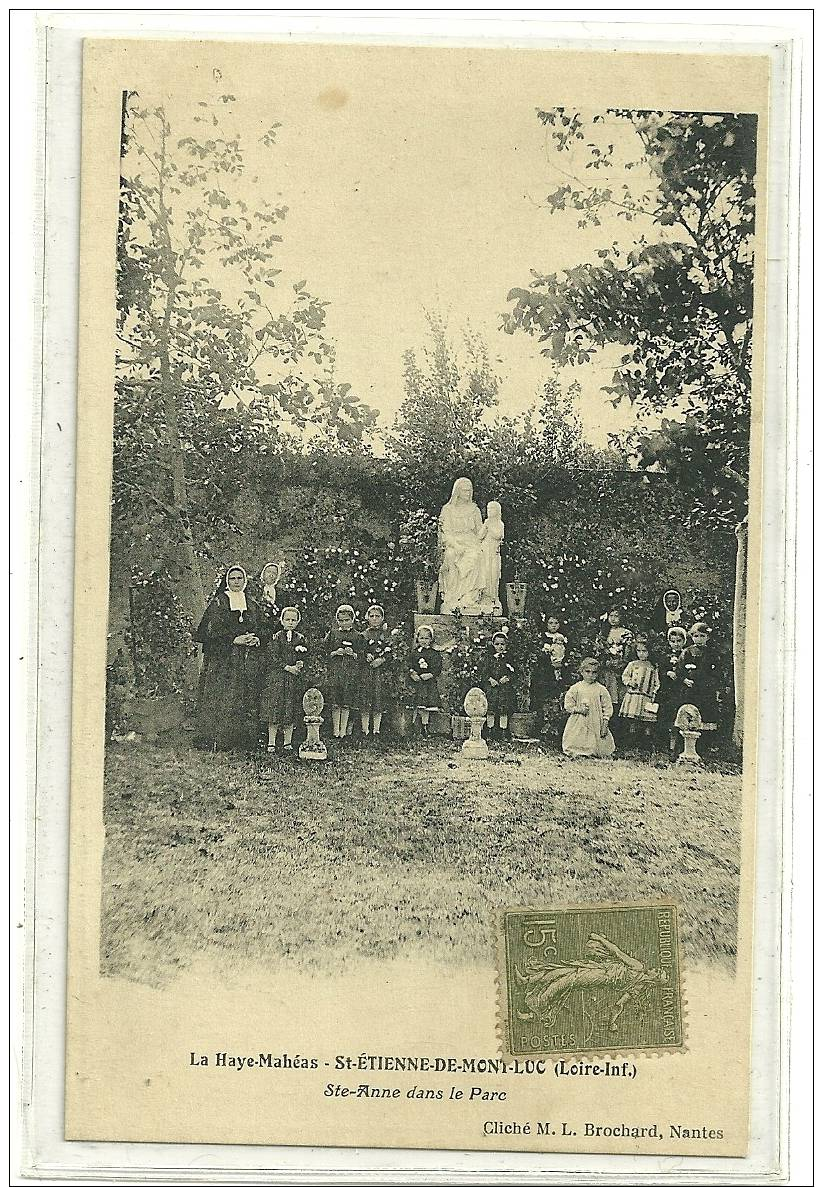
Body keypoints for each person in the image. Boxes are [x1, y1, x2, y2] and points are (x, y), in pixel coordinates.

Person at [193, 565, 262, 751]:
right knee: (224, 696)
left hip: (247, 658)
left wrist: (255, 638)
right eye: (233, 578)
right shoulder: (219, 603)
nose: (237, 582)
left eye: (240, 578)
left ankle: (242, 740)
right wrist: (234, 639)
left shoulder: (252, 603)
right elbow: (210, 632)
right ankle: (218, 739)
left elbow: (262, 627)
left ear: (245, 581)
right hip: (223, 659)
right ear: (227, 581)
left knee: (245, 695)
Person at [260, 606, 308, 754]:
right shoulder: (276, 637)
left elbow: (305, 654)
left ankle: (288, 742)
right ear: (281, 621)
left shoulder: (300, 638)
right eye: (287, 619)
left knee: (290, 709)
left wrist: (300, 663)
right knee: (275, 708)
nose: (290, 622)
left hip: (293, 680)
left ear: (298, 622)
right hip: (278, 678)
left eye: (294, 620)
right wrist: (287, 667)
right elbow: (272, 657)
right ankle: (271, 742)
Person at [438, 477, 485, 613]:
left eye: (470, 490)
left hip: (472, 543)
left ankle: (469, 597)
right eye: (465, 490)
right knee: (450, 556)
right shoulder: (448, 510)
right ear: (457, 491)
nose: (468, 493)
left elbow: (480, 531)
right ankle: (453, 597)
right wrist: (455, 545)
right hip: (454, 543)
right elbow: (445, 532)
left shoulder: (474, 510)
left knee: (477, 556)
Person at [561, 657, 615, 758]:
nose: (590, 675)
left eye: (594, 672)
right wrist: (578, 709)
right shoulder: (576, 688)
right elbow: (568, 704)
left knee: (595, 740)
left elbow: (607, 707)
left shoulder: (601, 689)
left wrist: (605, 723)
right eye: (587, 671)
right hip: (579, 719)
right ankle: (578, 750)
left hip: (595, 720)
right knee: (577, 735)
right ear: (581, 672)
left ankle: (592, 751)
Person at [323, 605, 361, 740]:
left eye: (347, 620)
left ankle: (343, 731)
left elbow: (362, 655)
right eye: (341, 620)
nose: (344, 623)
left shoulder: (357, 636)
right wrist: (335, 653)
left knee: (346, 702)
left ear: (352, 620)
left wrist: (353, 654)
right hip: (336, 673)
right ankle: (335, 730)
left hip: (350, 673)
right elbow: (324, 652)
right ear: (337, 620)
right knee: (335, 702)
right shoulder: (333, 634)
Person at [358, 604, 394, 739]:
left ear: (382, 618)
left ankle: (377, 730)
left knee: (378, 698)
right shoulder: (363, 635)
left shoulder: (385, 635)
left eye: (377, 616)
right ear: (367, 618)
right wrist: (365, 656)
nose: (374, 619)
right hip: (366, 672)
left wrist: (382, 659)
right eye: (371, 616)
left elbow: (390, 652)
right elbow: (359, 651)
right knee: (365, 698)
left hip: (380, 673)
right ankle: (365, 730)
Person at [619, 636, 661, 748]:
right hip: (634, 696)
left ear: (649, 652)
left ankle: (645, 743)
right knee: (633, 720)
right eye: (639, 651)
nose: (641, 654)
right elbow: (625, 676)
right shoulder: (633, 664)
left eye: (644, 651)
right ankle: (631, 741)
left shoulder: (653, 666)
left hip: (646, 696)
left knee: (647, 721)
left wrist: (654, 693)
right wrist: (629, 683)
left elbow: (656, 682)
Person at [657, 625, 690, 759]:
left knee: (678, 717)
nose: (676, 644)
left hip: (679, 691)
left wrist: (681, 677)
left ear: (684, 641)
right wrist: (667, 673)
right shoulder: (665, 656)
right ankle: (664, 746)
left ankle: (677, 747)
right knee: (665, 717)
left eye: (679, 641)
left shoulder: (687, 655)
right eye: (673, 641)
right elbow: (660, 671)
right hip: (667, 690)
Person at [596, 607, 634, 725]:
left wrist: (620, 662)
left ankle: (619, 726)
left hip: (620, 668)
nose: (613, 619)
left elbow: (628, 653)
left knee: (619, 697)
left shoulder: (626, 632)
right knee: (607, 696)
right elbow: (600, 650)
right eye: (611, 616)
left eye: (616, 616)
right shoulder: (604, 632)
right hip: (607, 669)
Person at [407, 624, 442, 737]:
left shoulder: (434, 653)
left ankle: (425, 726)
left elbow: (437, 668)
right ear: (417, 638)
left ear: (431, 639)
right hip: (416, 682)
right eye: (421, 638)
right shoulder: (414, 652)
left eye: (427, 638)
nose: (424, 640)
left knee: (426, 707)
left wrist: (430, 674)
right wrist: (412, 673)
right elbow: (409, 664)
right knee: (416, 705)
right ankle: (413, 727)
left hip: (427, 683)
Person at [481, 631, 516, 739]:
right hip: (492, 688)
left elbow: (515, 672)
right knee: (491, 709)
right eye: (497, 644)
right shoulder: (489, 658)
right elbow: (483, 672)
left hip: (504, 688)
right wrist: (490, 679)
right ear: (493, 645)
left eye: (502, 644)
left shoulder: (509, 658)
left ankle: (503, 731)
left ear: (506, 645)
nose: (500, 647)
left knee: (503, 710)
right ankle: (490, 730)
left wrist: (507, 678)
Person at [479, 500, 505, 612]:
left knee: (493, 575)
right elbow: (479, 536)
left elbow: (498, 535)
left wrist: (489, 526)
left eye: (492, 509)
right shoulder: (487, 522)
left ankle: (492, 597)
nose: (490, 511)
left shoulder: (499, 524)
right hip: (485, 552)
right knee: (484, 573)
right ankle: (483, 597)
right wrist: (485, 526)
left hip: (493, 553)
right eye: (488, 509)